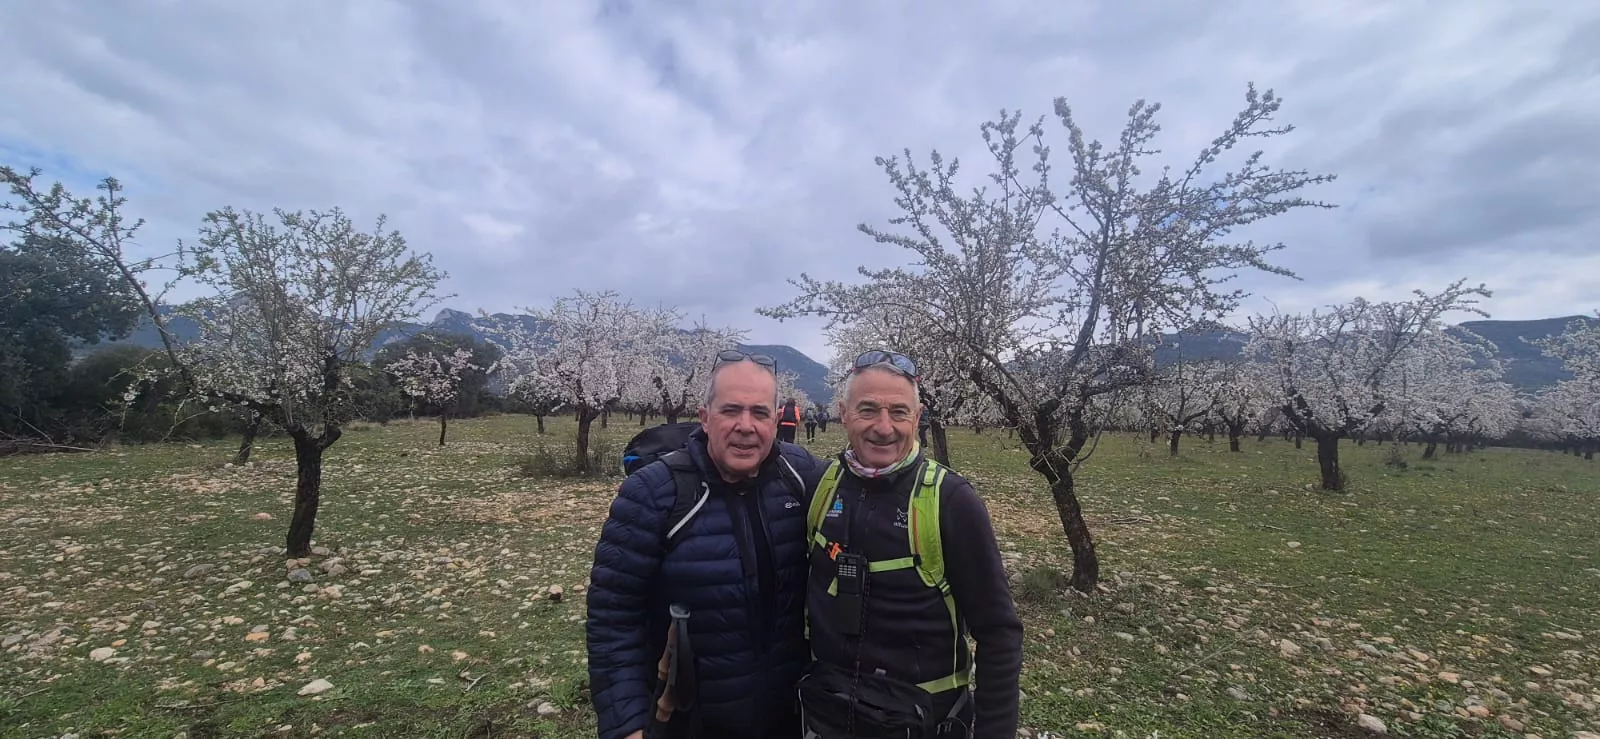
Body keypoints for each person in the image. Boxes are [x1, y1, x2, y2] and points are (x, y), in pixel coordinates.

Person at [587, 350, 826, 739]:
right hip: (689, 721)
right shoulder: (652, 494)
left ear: (776, 419)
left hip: (789, 715)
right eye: (731, 410)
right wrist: (627, 724)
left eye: (760, 413)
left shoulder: (799, 476)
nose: (746, 426)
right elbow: (614, 618)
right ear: (704, 417)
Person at [799, 350, 1023, 739]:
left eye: (899, 412)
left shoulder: (950, 501)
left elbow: (999, 631)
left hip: (924, 724)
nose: (884, 427)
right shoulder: (822, 485)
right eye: (868, 409)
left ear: (917, 419)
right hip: (828, 716)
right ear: (843, 413)